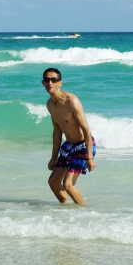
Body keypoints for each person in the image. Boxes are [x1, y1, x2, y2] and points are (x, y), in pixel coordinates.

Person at [42, 67, 96, 205]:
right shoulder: (50, 105)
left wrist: (89, 158)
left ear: (60, 83)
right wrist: (53, 158)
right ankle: (67, 212)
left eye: (54, 80)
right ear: (43, 83)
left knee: (68, 184)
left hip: (83, 145)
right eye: (47, 80)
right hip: (69, 147)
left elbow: (86, 129)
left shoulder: (71, 101)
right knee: (53, 181)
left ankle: (84, 211)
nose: (50, 83)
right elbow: (57, 132)